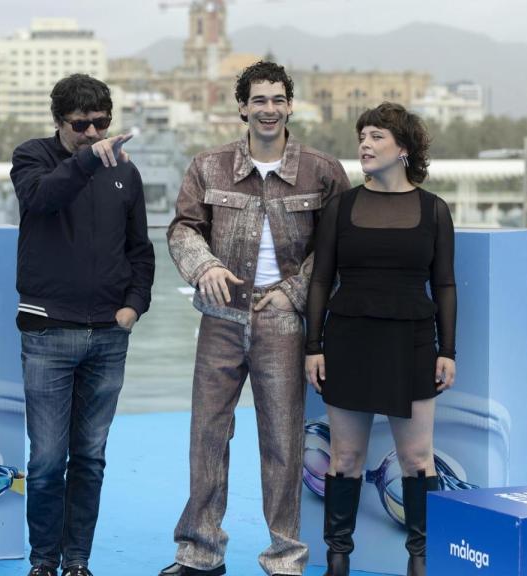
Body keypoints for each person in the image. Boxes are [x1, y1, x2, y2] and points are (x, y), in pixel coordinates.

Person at [162, 61, 350, 576]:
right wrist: (206, 267)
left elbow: (335, 247)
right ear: (242, 107)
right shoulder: (209, 166)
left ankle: (285, 557)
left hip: (284, 321)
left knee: (283, 440)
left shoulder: (323, 170)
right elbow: (182, 229)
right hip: (221, 317)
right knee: (208, 434)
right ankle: (200, 553)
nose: (269, 110)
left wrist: (293, 291)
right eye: (258, 100)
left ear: (290, 105)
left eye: (278, 100)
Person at [10, 73, 155, 576]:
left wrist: (135, 305)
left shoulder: (126, 174)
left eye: (101, 124)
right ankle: (43, 562)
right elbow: (41, 199)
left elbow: (140, 249)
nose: (93, 134)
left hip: (110, 335)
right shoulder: (31, 157)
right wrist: (88, 160)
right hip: (48, 333)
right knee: (47, 461)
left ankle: (77, 562)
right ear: (59, 122)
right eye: (81, 125)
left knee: (90, 458)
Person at [304, 102, 457, 576]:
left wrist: (447, 350)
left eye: (376, 137)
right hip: (348, 340)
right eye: (362, 137)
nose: (365, 145)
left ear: (404, 148)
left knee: (416, 458)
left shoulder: (434, 210)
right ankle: (337, 559)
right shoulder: (341, 207)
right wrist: (314, 345)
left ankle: (420, 559)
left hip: (412, 341)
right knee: (346, 456)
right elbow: (320, 281)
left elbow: (445, 283)